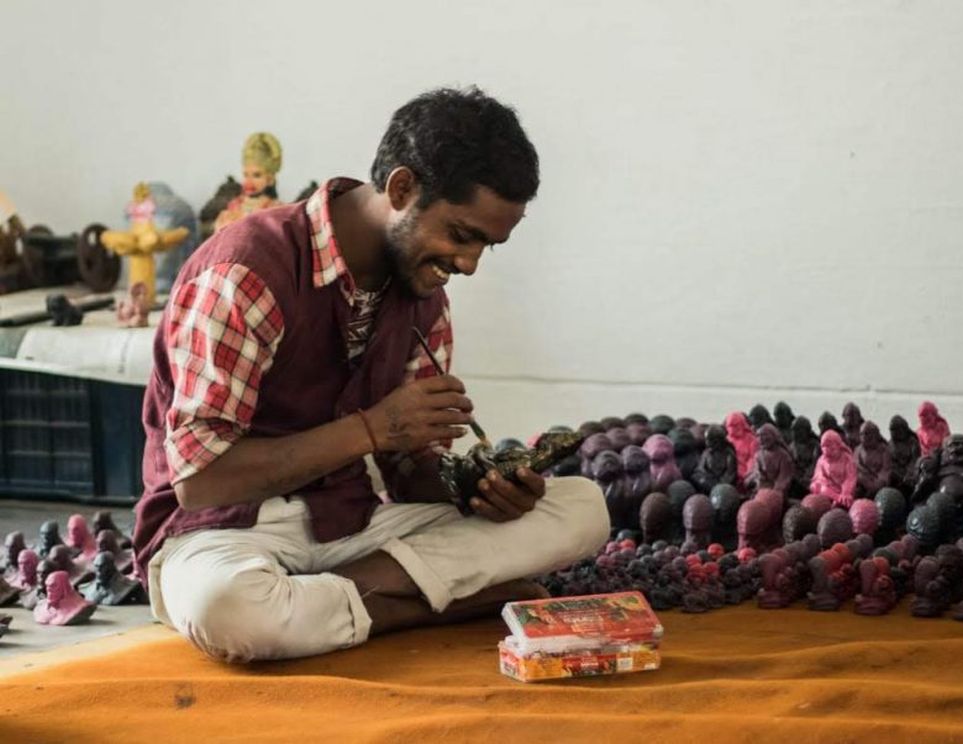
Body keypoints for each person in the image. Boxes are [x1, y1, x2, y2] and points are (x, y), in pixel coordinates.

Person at [131, 88, 609, 663]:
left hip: (354, 527)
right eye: (462, 234)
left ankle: (339, 604)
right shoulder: (246, 272)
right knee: (229, 609)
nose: (470, 264)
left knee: (581, 508)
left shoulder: (423, 295)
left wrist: (481, 492)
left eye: (488, 244)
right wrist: (372, 429)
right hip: (223, 532)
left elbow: (409, 474)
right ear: (402, 188)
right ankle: (433, 600)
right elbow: (201, 480)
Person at [213, 132, 284, 231]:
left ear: (270, 179)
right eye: (246, 175)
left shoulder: (277, 210)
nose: (249, 182)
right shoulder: (234, 206)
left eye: (257, 175)